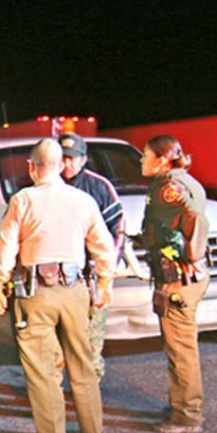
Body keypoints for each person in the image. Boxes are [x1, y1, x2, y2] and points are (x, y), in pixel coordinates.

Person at [0, 139, 116, 433]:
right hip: (76, 292)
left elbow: (6, 249)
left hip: (35, 294)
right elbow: (103, 245)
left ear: (32, 167)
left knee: (42, 368)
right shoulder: (83, 200)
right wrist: (105, 282)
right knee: (82, 361)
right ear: (60, 166)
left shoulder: (23, 200)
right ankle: (93, 432)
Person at [140, 134, 210, 433]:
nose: (142, 160)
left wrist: (186, 253)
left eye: (146, 155)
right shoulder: (186, 181)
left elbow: (189, 221)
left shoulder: (168, 189)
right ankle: (181, 403)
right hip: (186, 276)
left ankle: (187, 415)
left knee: (181, 349)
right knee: (181, 346)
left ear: (162, 159)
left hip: (177, 279)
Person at [58, 133, 125, 380]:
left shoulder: (99, 187)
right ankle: (52, 396)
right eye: (63, 158)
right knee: (55, 342)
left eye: (73, 159)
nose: (68, 164)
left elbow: (117, 229)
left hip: (90, 279)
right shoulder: (46, 186)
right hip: (56, 279)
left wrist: (107, 271)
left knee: (91, 340)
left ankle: (90, 391)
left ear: (84, 159)